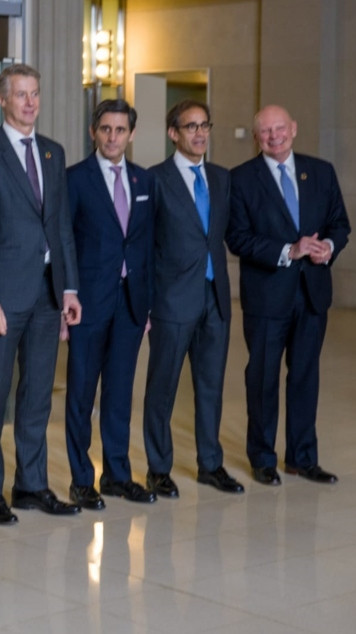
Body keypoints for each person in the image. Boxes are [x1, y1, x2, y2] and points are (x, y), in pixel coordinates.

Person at [0, 64, 82, 524]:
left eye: (35, 94)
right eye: (21, 95)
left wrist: (69, 287)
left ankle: (31, 484)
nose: (30, 102)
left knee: (36, 397)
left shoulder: (53, 153)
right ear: (3, 100)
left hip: (49, 297)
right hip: (2, 299)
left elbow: (61, 228)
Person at [227, 105, 351, 485]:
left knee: (305, 377)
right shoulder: (241, 179)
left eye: (280, 128)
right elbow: (237, 238)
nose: (274, 136)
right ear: (256, 137)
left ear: (294, 129)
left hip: (312, 292)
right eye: (265, 131)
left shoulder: (321, 171)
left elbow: (340, 224)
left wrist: (329, 246)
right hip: (267, 296)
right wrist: (288, 251)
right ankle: (263, 458)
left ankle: (302, 458)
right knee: (262, 378)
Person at [142, 99, 244, 497]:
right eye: (190, 127)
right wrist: (147, 302)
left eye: (204, 126)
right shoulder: (155, 179)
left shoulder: (221, 178)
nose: (200, 134)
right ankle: (158, 467)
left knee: (211, 386)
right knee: (162, 388)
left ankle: (210, 464)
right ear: (174, 133)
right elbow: (145, 245)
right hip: (171, 300)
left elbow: (227, 234)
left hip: (215, 297)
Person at [63, 99, 158, 510]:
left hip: (131, 304)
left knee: (119, 392)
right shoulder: (74, 179)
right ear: (93, 132)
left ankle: (117, 475)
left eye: (120, 130)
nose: (113, 137)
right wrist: (64, 298)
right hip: (87, 302)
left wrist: (148, 304)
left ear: (131, 134)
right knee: (81, 393)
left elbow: (147, 246)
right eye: (105, 129)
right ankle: (81, 479)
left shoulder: (144, 181)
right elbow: (63, 243)